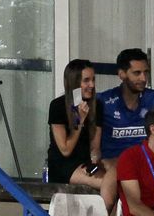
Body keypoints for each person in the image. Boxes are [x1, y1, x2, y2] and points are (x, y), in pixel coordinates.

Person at [46, 59, 114, 207]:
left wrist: (96, 164)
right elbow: (65, 150)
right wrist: (79, 121)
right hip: (64, 166)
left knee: (117, 177)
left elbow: (95, 148)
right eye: (86, 80)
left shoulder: (97, 106)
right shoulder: (58, 106)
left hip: (84, 163)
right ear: (74, 83)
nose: (92, 85)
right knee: (109, 184)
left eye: (93, 80)